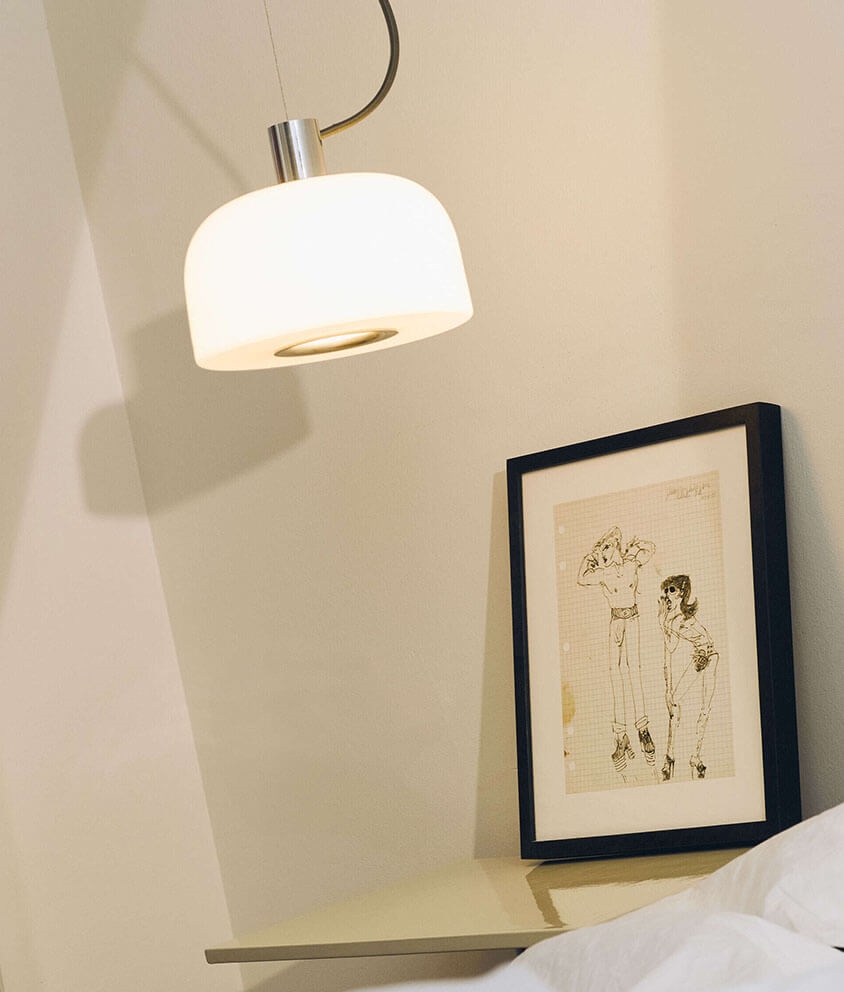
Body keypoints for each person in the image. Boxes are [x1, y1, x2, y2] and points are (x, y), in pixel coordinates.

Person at [578, 527, 656, 774]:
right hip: (616, 623)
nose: (605, 551)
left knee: (634, 672)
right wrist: (590, 557)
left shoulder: (631, 564)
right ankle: (620, 736)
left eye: (608, 546)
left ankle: (643, 729)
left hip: (632, 620)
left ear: (617, 546)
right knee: (615, 674)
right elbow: (581, 578)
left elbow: (650, 550)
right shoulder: (603, 573)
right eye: (603, 547)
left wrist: (636, 544)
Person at [658, 574, 719, 780]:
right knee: (675, 704)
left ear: (682, 593)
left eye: (672, 590)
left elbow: (672, 646)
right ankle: (671, 756)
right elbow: (670, 649)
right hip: (702, 656)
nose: (667, 594)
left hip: (708, 657)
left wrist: (661, 620)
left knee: (703, 708)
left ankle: (694, 757)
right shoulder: (671, 618)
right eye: (666, 590)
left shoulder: (680, 617)